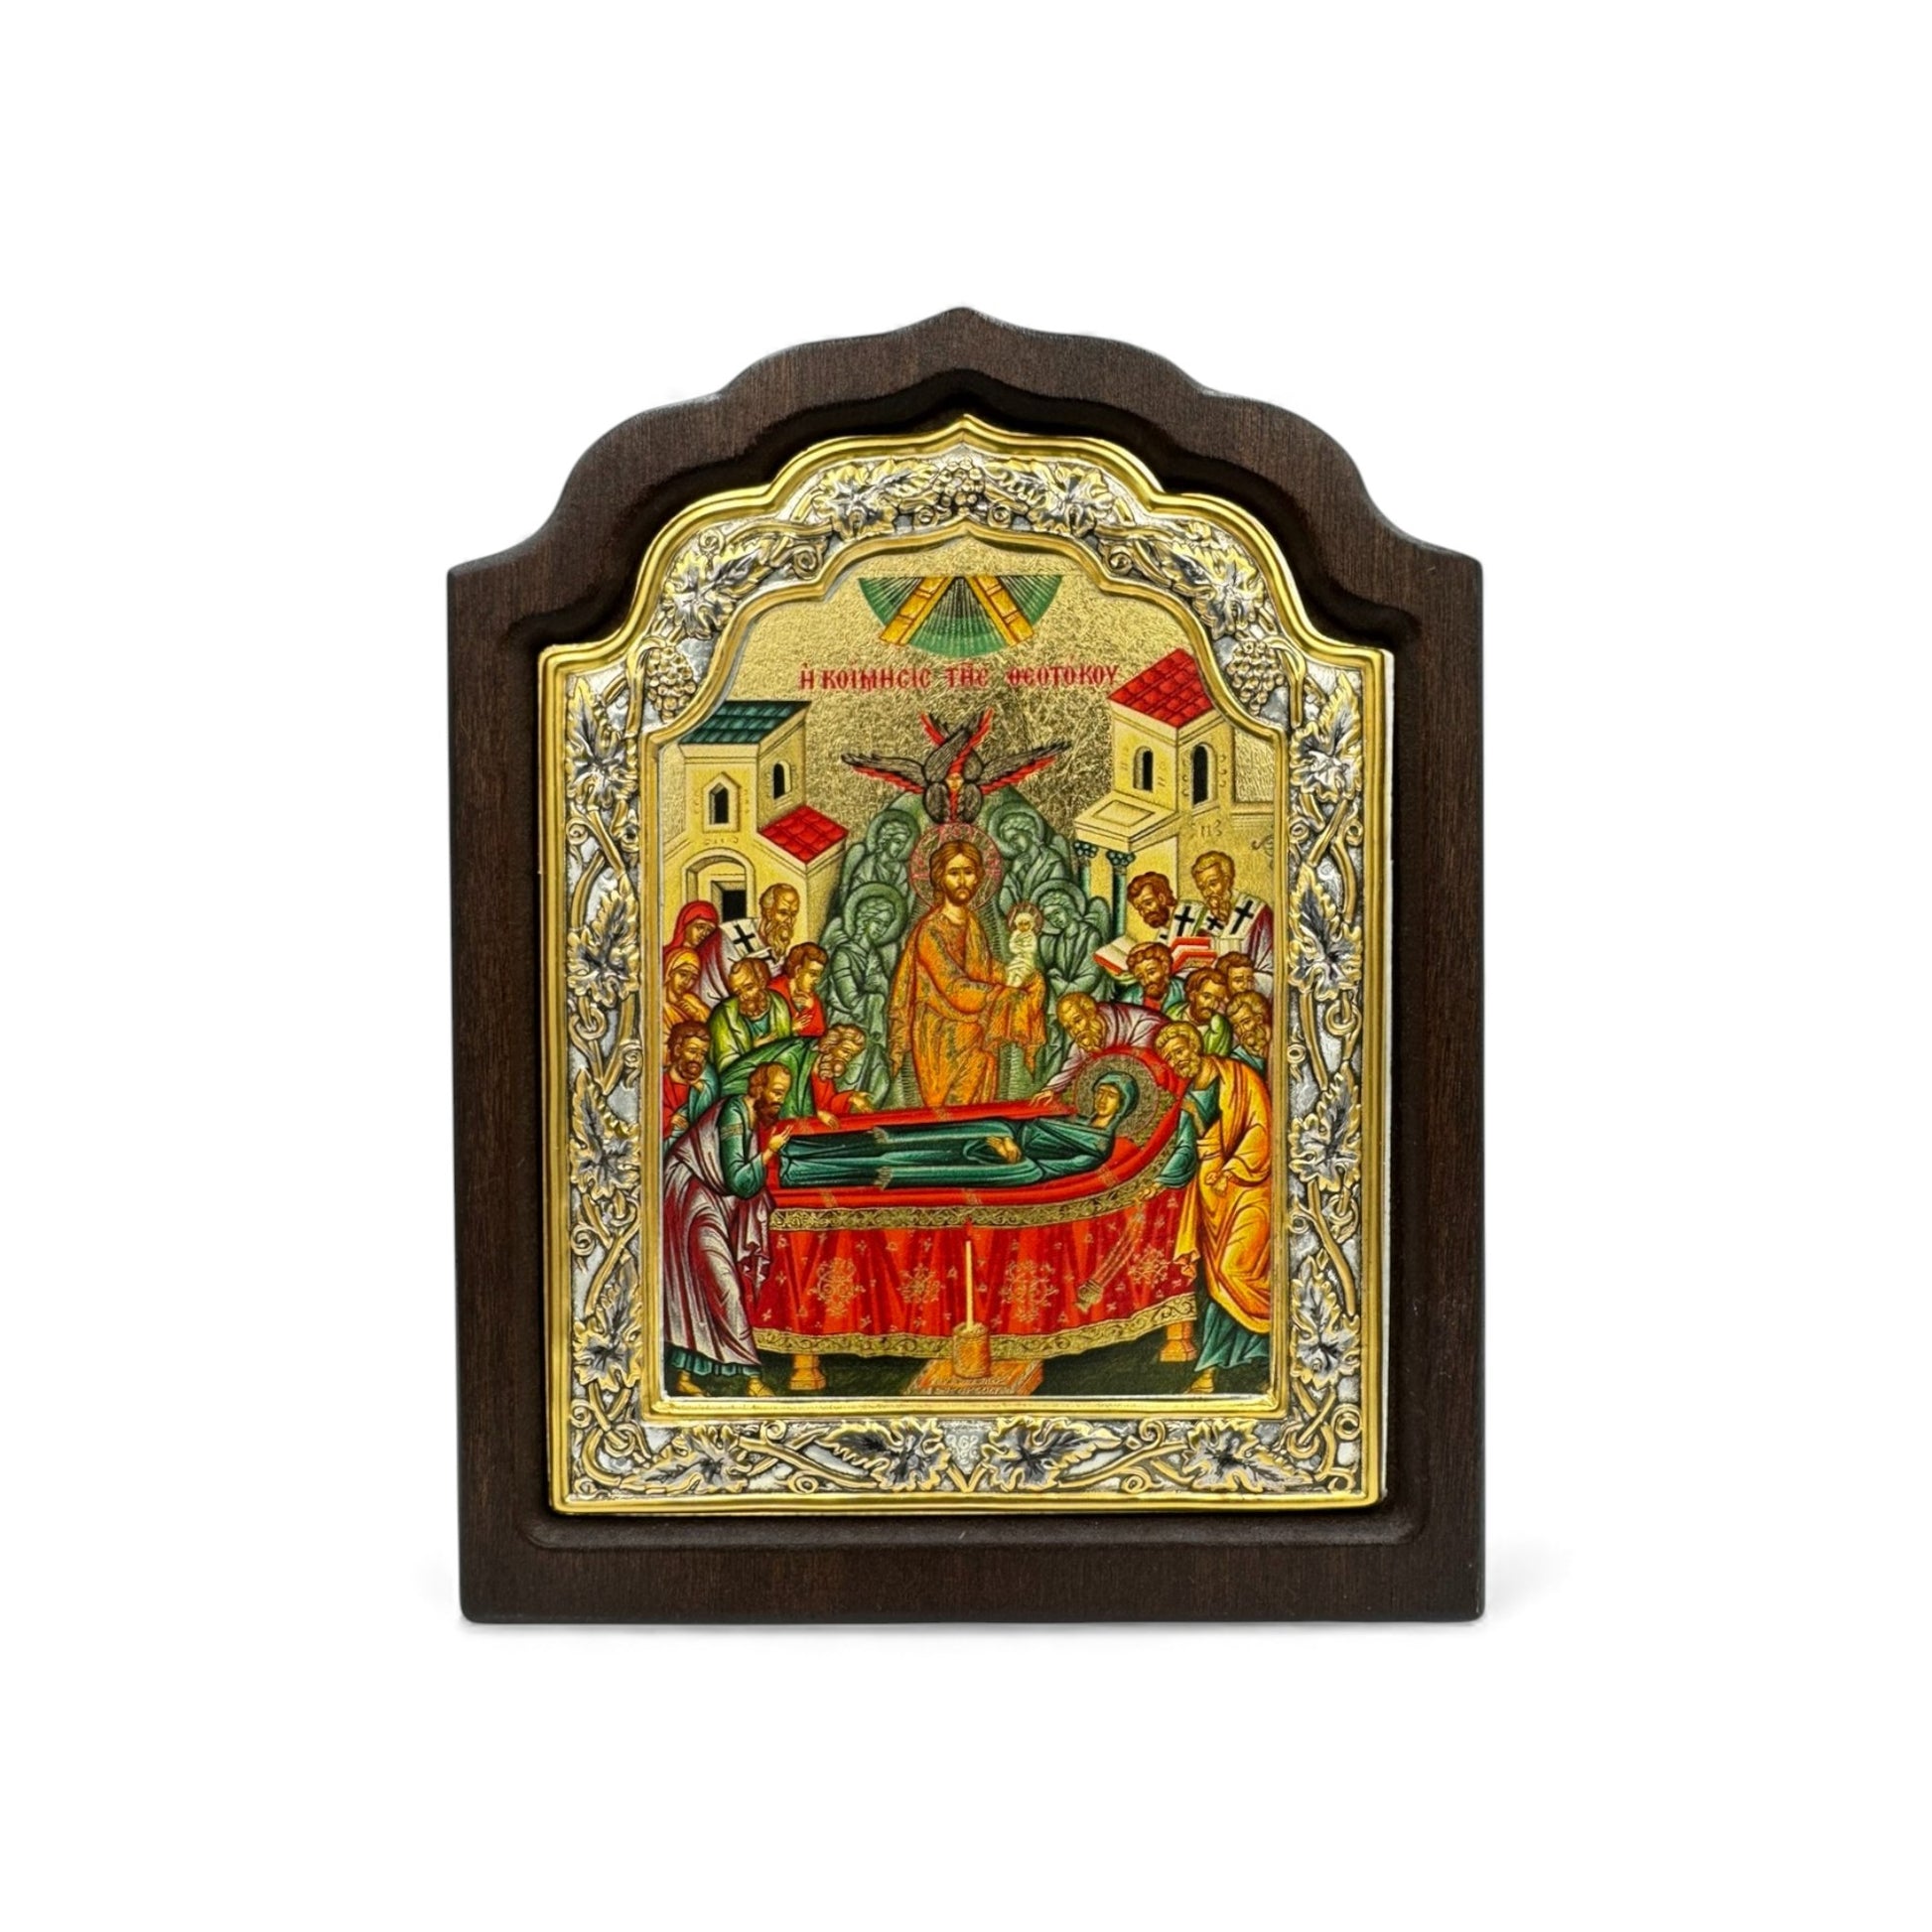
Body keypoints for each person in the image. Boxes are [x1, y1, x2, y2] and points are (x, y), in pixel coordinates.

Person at [660, 1060, 796, 1395]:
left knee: (699, 1286)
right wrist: (769, 1153)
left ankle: (684, 1377)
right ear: (759, 1088)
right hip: (691, 1199)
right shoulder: (734, 1114)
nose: (779, 1100)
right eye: (777, 1092)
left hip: (709, 1200)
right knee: (723, 1286)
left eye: (783, 1094)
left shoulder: (749, 1114)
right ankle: (752, 1379)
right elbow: (738, 1180)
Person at [1153, 1021, 1273, 1394]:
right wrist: (1161, 1180)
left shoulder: (1238, 1076)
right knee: (1217, 1281)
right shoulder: (1189, 1096)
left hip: (1249, 1187)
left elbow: (1261, 1127)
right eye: (1170, 1058)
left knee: (1236, 1269)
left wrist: (1233, 1168)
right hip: (1211, 1198)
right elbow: (1186, 1147)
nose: (1177, 1060)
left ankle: (1285, 1332)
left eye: (1179, 1051)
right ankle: (1214, 1369)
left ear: (1195, 1045)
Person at [779, 1072, 1133, 1192]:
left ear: (1123, 1105)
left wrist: (1014, 1156)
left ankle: (801, 1172)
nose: (1102, 1099)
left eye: (1111, 1096)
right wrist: (1007, 1134)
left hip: (995, 1161)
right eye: (1101, 1091)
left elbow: (1045, 1173)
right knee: (888, 1138)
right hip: (992, 1130)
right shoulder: (1074, 1118)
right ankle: (800, 1149)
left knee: (895, 1162)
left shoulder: (1096, 1149)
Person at [888, 838, 1044, 1106]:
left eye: (968, 872)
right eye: (953, 873)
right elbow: (953, 986)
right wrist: (1005, 995)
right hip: (943, 1034)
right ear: (939, 879)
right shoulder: (930, 931)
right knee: (953, 1107)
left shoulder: (972, 922)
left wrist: (1018, 975)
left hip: (977, 1028)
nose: (962, 881)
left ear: (978, 877)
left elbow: (983, 968)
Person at [715, 1022, 873, 1123]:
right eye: (845, 1051)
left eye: (851, 1055)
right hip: (746, 1107)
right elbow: (786, 1108)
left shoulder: (824, 1065)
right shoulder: (792, 1058)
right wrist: (817, 1115)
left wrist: (851, 1098)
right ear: (832, 1045)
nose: (846, 1058)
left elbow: (825, 1104)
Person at [1040, 990, 1164, 1097]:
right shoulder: (1085, 1038)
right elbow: (1069, 1069)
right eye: (1069, 1027)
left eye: (1077, 1020)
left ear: (1090, 1012)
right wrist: (1050, 1090)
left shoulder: (1144, 1024)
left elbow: (1140, 1062)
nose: (1076, 1030)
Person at [696, 882, 800, 1006]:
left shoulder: (777, 940)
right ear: (768, 912)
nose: (789, 921)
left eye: (793, 914)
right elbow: (733, 985)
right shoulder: (731, 935)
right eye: (783, 913)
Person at [1191, 850, 1275, 997]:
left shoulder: (1257, 911)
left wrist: (1237, 984)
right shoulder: (1204, 920)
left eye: (1213, 883)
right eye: (1202, 888)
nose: (1208, 893)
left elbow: (1271, 970)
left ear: (1227, 880)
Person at [709, 956, 792, 1074]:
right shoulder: (723, 1015)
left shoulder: (778, 1003)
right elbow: (726, 1066)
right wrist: (753, 1051)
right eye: (738, 992)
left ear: (761, 982)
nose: (744, 996)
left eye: (749, 988)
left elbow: (787, 1049)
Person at [661, 1020, 718, 1140]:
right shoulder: (659, 1082)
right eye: (692, 1051)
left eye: (702, 1053)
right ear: (677, 1050)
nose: (698, 1058)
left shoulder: (704, 1086)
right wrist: (669, 1119)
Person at [771, 942, 828, 1038]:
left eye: (819, 975)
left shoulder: (812, 1000)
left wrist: (811, 1008)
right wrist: (790, 1028)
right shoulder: (774, 991)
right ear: (798, 971)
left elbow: (818, 1035)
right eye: (813, 974)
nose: (817, 980)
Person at [660, 945, 710, 1053]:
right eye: (683, 974)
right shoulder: (656, 1003)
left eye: (693, 978)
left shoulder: (693, 1002)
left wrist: (696, 1016)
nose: (687, 981)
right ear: (670, 972)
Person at [1127, 941, 1188, 1019]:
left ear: (1165, 967)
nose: (1147, 981)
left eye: (1151, 972)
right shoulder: (1130, 997)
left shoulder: (1184, 991)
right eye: (1140, 977)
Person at [1184, 964, 1235, 1058]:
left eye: (1218, 1000)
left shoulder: (1222, 1028)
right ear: (1192, 995)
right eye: (1206, 997)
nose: (1212, 1005)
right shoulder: (1172, 1014)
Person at [1228, 991, 1272, 1075]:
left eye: (1246, 1022)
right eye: (1236, 1027)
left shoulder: (1280, 1040)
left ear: (1259, 1019)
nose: (1242, 1031)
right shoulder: (1238, 1056)